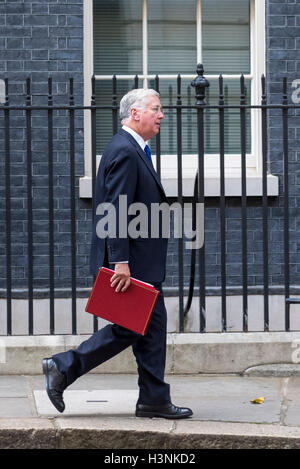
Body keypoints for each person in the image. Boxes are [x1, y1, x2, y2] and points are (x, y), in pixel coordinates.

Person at [42, 88, 193, 419]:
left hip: (139, 263)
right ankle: (63, 366)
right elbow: (115, 210)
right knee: (133, 327)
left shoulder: (133, 149)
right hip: (131, 264)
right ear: (135, 113)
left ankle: (153, 398)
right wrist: (121, 262)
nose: (162, 115)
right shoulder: (125, 151)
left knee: (150, 329)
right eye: (156, 108)